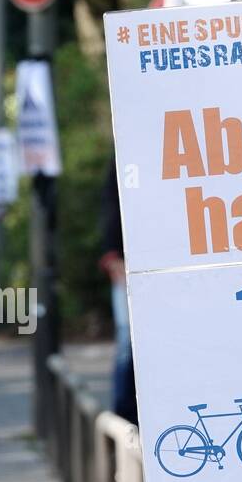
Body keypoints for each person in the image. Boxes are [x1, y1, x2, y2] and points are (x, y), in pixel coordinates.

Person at [100, 157, 137, 424]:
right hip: (124, 263)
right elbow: (111, 206)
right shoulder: (120, 157)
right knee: (127, 339)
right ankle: (123, 414)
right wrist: (113, 257)